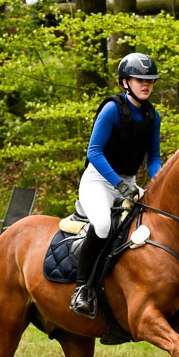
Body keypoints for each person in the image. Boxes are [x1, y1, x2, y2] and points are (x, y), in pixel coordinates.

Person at [68, 52, 162, 317]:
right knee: (102, 225)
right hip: (99, 180)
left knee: (158, 219)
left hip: (129, 182)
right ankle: (82, 289)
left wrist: (157, 183)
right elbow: (94, 152)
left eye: (150, 80)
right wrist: (118, 184)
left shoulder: (152, 116)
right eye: (140, 80)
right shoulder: (112, 109)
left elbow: (154, 158)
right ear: (125, 82)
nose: (146, 85)